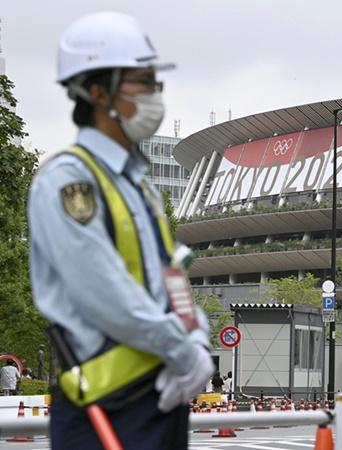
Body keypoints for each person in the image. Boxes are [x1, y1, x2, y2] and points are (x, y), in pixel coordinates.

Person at [28, 12, 213, 449]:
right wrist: (184, 352)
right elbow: (107, 294)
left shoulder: (139, 185)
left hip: (164, 394)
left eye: (154, 82)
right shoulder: (67, 181)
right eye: (141, 82)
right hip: (107, 404)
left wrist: (198, 338)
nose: (154, 95)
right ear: (96, 91)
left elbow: (171, 277)